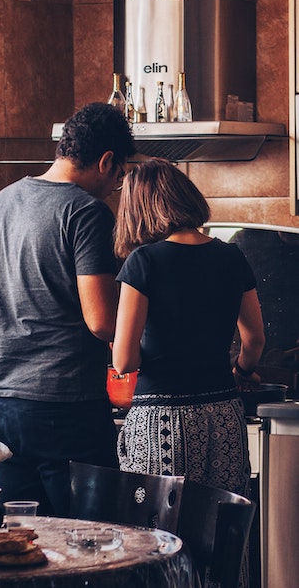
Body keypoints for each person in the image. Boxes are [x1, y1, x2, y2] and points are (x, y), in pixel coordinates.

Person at [0, 102, 135, 516]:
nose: (114, 187)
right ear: (106, 161)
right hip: (62, 405)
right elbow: (102, 322)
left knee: (28, 542)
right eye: (119, 177)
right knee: (95, 544)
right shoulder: (86, 212)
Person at [112, 157, 265, 498]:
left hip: (161, 420)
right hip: (224, 413)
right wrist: (241, 371)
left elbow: (124, 361)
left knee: (159, 535)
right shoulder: (231, 256)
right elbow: (254, 339)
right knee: (222, 528)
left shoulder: (144, 261)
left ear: (139, 209)